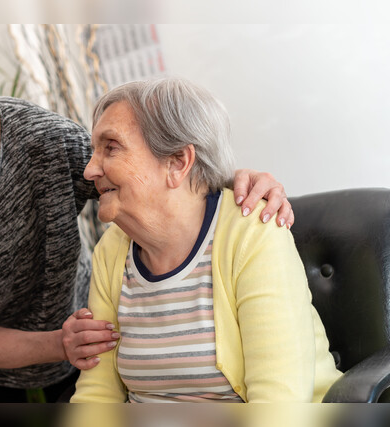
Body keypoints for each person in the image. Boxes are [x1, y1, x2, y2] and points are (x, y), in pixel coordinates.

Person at [0, 60, 295, 403]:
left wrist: (235, 180)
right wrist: (59, 343)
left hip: (83, 350)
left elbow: (137, 171)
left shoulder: (34, 138)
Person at [71, 78, 342, 403]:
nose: (89, 170)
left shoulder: (250, 232)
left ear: (177, 162)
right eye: (94, 151)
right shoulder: (112, 251)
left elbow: (277, 403)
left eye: (110, 147)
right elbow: (96, 395)